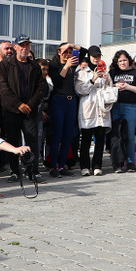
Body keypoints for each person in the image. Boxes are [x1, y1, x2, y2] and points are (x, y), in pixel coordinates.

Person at [0, 34, 48, 184]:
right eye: (22, 45)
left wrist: (30, 105)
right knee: (13, 141)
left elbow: (41, 88)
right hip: (12, 110)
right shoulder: (6, 64)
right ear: (15, 47)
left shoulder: (34, 66)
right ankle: (15, 171)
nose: (25, 48)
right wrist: (18, 103)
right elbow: (3, 87)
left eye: (27, 45)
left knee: (33, 141)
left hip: (30, 111)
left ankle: (33, 171)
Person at [75, 45, 112, 177]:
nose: (96, 58)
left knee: (100, 139)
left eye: (98, 56)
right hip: (88, 109)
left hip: (102, 110)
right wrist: (92, 79)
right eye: (94, 56)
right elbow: (81, 90)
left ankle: (97, 166)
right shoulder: (82, 72)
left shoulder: (105, 71)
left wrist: (107, 81)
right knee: (86, 139)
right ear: (89, 57)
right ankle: (84, 166)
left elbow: (110, 90)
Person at [109, 50, 136, 173]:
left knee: (130, 136)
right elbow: (106, 86)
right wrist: (115, 86)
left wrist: (128, 87)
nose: (122, 62)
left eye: (124, 60)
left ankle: (130, 162)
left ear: (129, 60)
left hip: (131, 107)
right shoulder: (113, 72)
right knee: (116, 135)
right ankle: (117, 162)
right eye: (120, 61)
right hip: (115, 106)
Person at [46, 43, 80, 178]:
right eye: (64, 52)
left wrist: (72, 45)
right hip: (58, 100)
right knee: (57, 135)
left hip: (71, 101)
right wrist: (66, 66)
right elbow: (57, 82)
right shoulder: (54, 65)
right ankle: (53, 166)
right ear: (59, 52)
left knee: (68, 136)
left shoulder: (74, 64)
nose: (67, 54)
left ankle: (62, 166)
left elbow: (84, 51)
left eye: (69, 52)